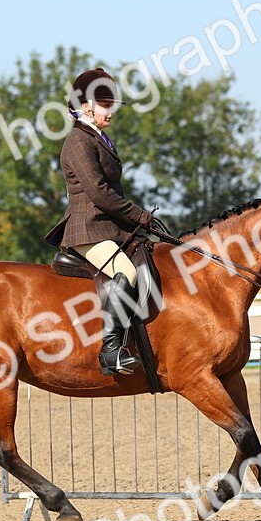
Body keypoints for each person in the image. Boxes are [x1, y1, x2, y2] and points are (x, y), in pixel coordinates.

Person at [44, 67, 160, 376]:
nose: (111, 111)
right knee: (124, 271)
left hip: (106, 227)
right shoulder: (78, 142)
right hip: (87, 228)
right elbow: (98, 192)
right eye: (105, 105)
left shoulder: (97, 137)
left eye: (112, 105)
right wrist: (139, 215)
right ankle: (111, 350)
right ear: (85, 107)